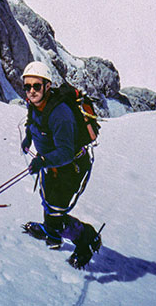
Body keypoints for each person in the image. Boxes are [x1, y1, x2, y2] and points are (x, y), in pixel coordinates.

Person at [21, 61, 101, 269]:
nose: (31, 91)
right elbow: (33, 122)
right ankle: (52, 233)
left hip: (70, 167)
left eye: (36, 86)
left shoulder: (60, 114)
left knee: (56, 209)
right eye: (27, 86)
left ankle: (87, 238)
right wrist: (28, 139)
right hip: (51, 163)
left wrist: (43, 161)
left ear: (47, 86)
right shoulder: (35, 104)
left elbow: (65, 152)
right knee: (47, 198)